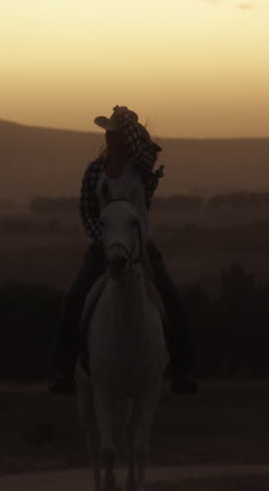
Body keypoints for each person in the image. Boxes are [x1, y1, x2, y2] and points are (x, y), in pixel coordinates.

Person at [49, 105, 199, 395]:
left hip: (140, 247)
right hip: (103, 246)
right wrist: (104, 241)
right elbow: (87, 212)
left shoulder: (141, 171)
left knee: (171, 299)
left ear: (125, 138)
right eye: (108, 134)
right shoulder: (94, 171)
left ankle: (183, 372)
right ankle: (63, 371)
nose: (109, 138)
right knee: (76, 298)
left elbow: (148, 152)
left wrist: (130, 127)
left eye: (115, 134)